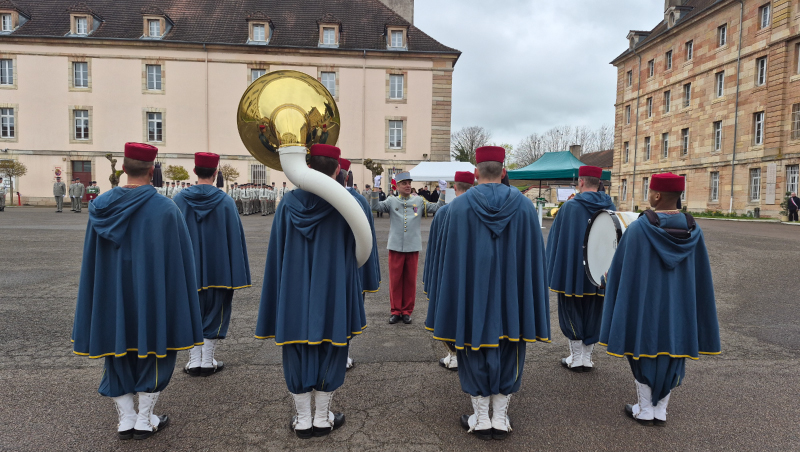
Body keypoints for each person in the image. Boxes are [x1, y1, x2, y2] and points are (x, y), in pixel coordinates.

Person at [71, 142, 204, 441]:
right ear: (152, 170)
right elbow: (181, 262)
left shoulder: (100, 206)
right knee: (156, 350)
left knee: (116, 352)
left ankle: (126, 418)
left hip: (113, 296)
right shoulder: (166, 208)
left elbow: (92, 261)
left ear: (122, 168)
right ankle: (144, 418)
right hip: (152, 294)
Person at [425, 146, 550, 440]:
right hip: (512, 299)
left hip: (473, 298)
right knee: (511, 349)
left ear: (477, 172)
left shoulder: (456, 208)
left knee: (471, 347)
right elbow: (534, 261)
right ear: (504, 171)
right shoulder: (524, 207)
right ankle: (500, 417)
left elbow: (450, 264)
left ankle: (481, 418)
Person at [255, 144, 365, 439]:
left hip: (294, 288)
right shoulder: (346, 203)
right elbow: (360, 251)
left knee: (296, 347)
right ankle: (322, 416)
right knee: (332, 345)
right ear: (338, 170)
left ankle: (303, 419)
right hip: (332, 288)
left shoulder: (288, 204)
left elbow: (276, 254)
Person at [600, 172, 720, 427]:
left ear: (656, 195)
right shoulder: (694, 230)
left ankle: (645, 409)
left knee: (642, 351)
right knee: (674, 352)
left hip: (646, 308)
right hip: (679, 309)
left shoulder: (639, 229)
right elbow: (700, 276)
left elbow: (621, 270)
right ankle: (661, 409)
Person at [173, 152, 251, 377]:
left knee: (190, 311)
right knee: (216, 310)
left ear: (195, 171)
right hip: (219, 270)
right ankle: (206, 360)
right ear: (216, 173)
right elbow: (235, 237)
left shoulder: (178, 199)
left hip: (189, 270)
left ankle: (194, 360)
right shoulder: (225, 201)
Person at [545, 165, 615, 372]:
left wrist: (553, 267)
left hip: (573, 270)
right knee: (595, 309)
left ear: (581, 182)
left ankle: (576, 358)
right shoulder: (611, 205)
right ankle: (586, 357)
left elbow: (557, 240)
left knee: (571, 309)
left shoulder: (570, 207)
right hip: (602, 270)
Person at [371, 172, 445, 324]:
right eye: (404, 183)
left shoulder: (419, 200)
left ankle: (406, 311)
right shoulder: (392, 200)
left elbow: (438, 207)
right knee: (395, 281)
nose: (408, 186)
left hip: (412, 246)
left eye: (409, 183)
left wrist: (443, 192)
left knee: (410, 281)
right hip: (396, 246)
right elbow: (376, 206)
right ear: (397, 186)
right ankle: (395, 310)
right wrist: (375, 188)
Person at [424, 170, 475, 371]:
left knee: (450, 312)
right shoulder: (477, 208)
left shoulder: (445, 211)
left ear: (455, 188)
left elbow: (435, 248)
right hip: (471, 274)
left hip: (448, 273)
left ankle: (453, 356)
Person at [340, 158, 381, 370]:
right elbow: (368, 239)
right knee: (349, 309)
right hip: (352, 267)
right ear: (346, 176)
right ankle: (344, 353)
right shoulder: (359, 201)